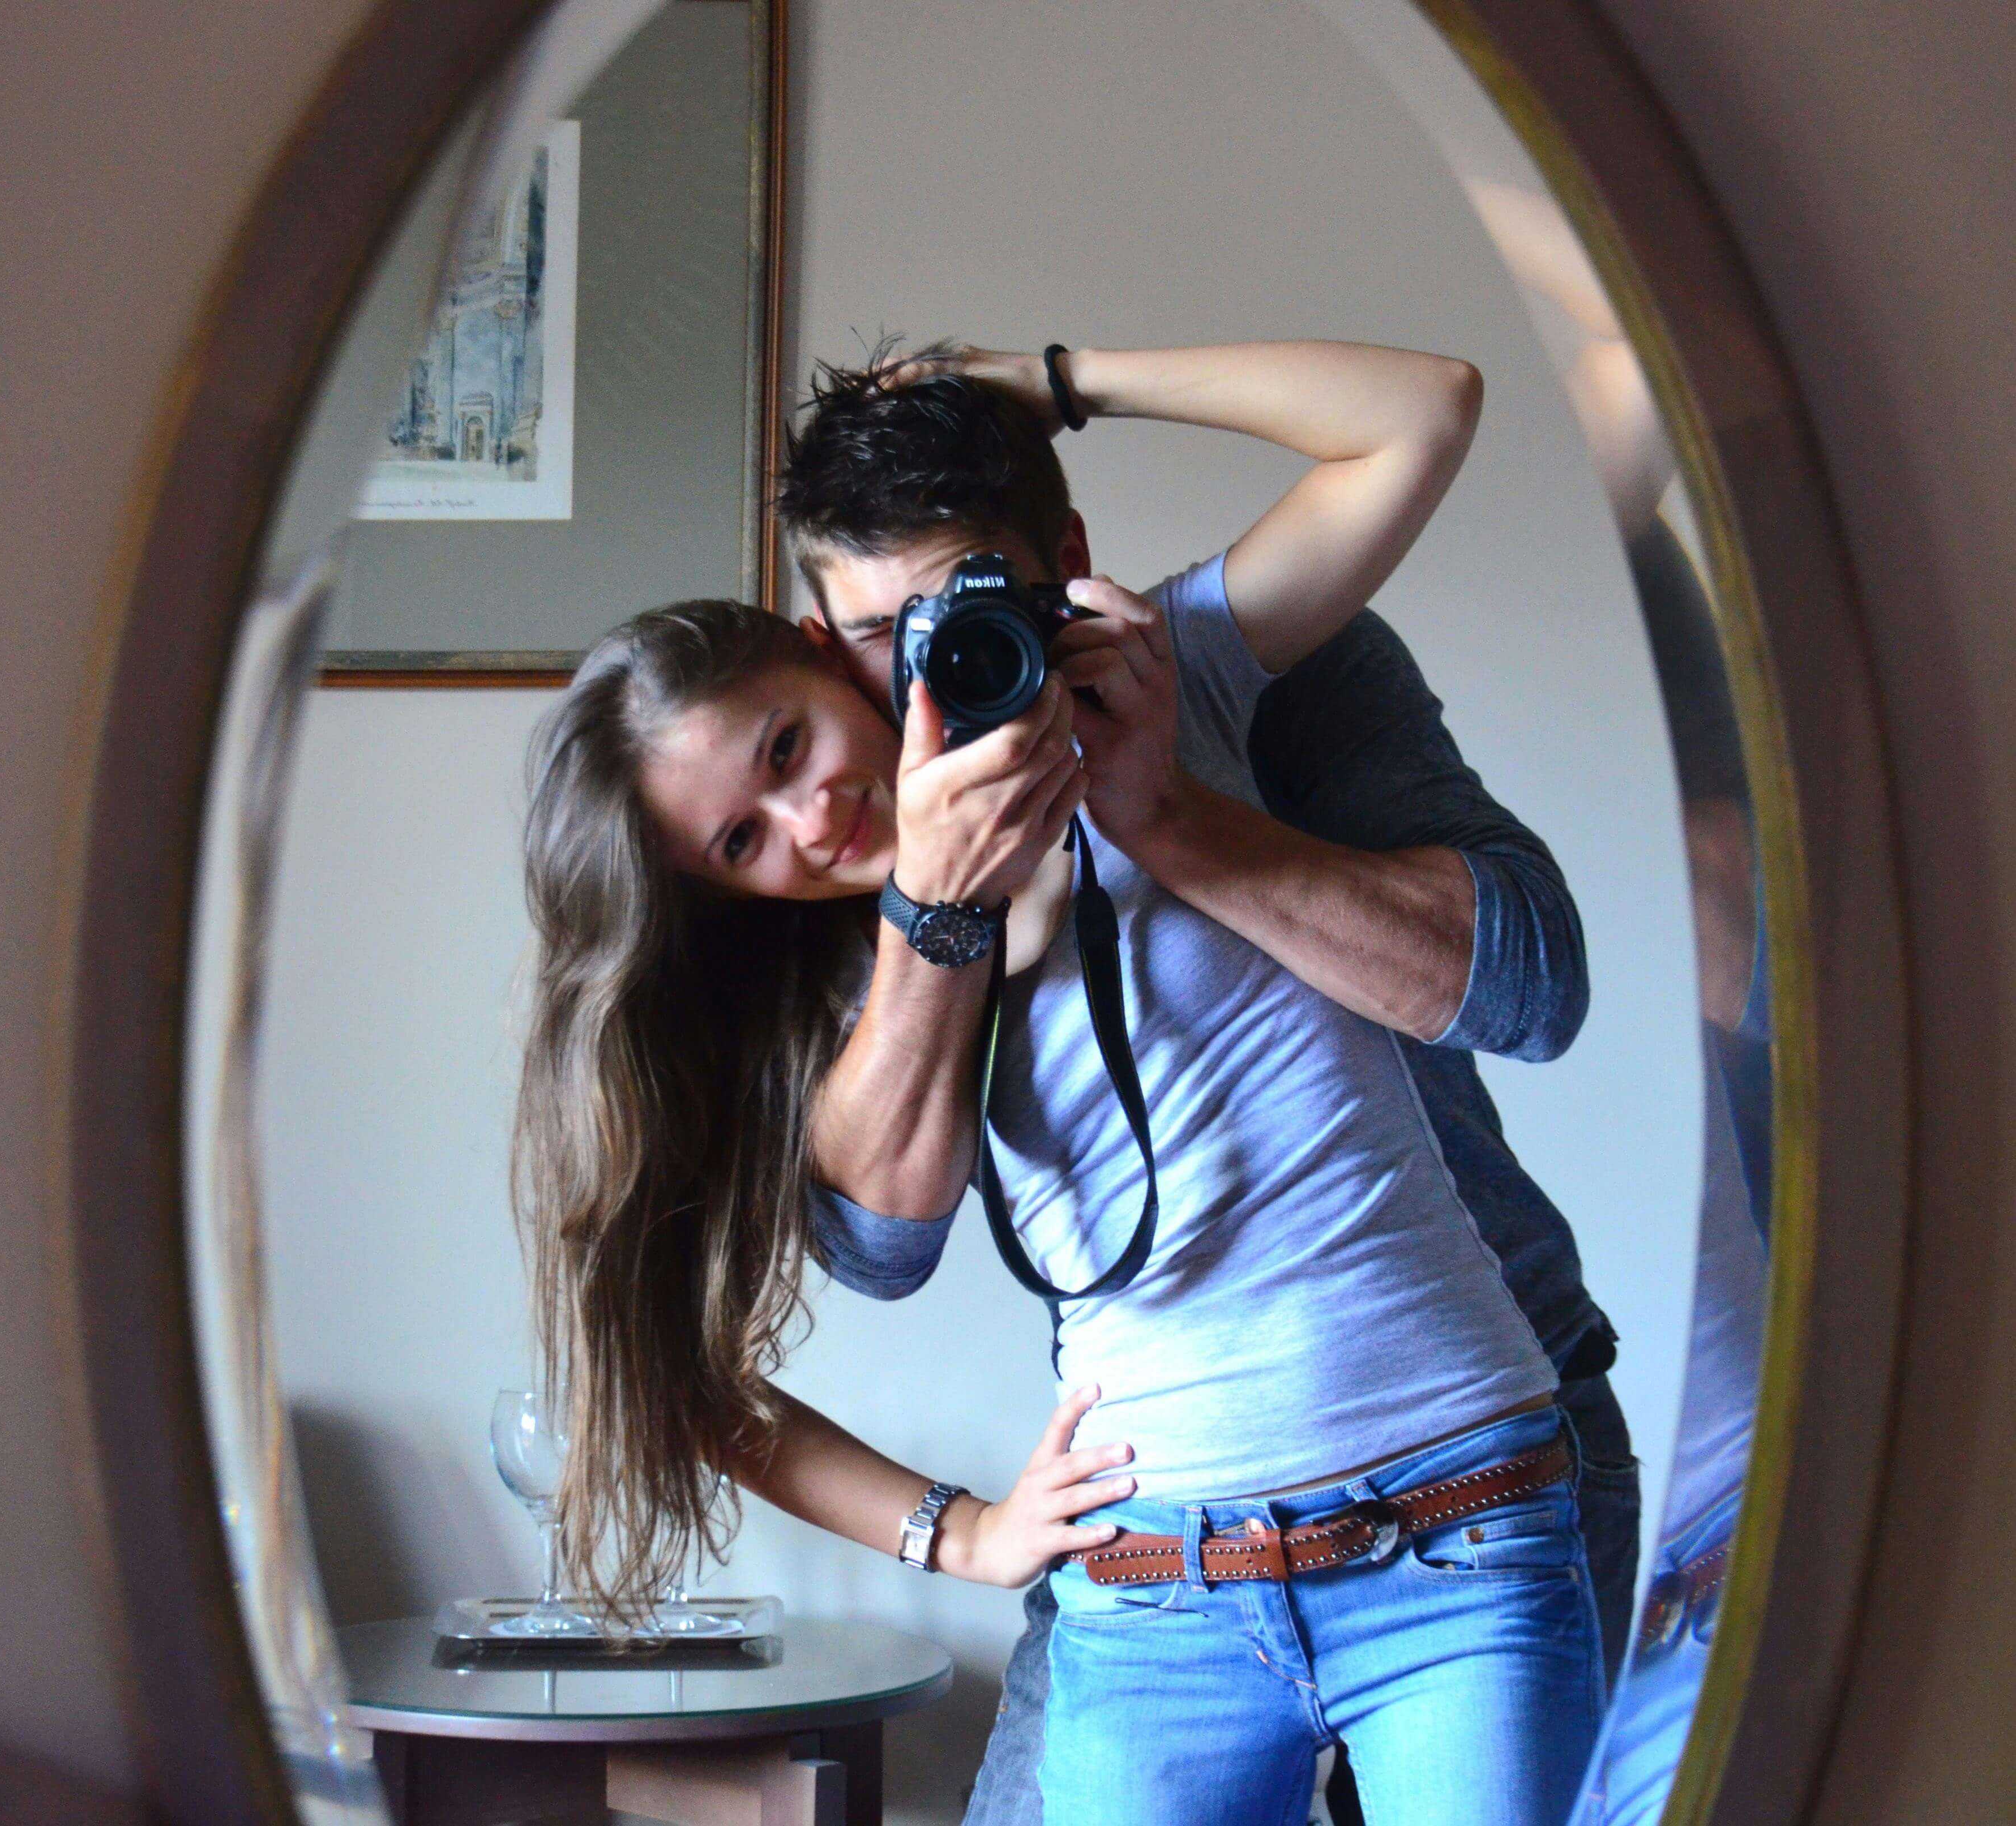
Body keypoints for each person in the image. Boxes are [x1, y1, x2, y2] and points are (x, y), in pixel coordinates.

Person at [516, 340, 1604, 1825]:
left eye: (788, 744)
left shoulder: (1171, 676)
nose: (811, 812)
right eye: (742, 839)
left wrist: (1060, 376)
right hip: (1156, 1570)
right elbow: (853, 1248)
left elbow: (1426, 413)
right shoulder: (833, 963)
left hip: (1458, 1489)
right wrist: (957, 1533)